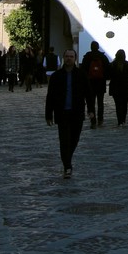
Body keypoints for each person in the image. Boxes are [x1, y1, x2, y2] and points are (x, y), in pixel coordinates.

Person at [45, 49, 90, 178]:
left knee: (74, 140)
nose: (69, 58)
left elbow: (88, 93)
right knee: (64, 140)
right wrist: (48, 115)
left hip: (77, 113)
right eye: (67, 56)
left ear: (75, 58)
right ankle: (67, 166)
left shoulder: (81, 75)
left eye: (71, 56)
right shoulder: (56, 76)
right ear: (63, 58)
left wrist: (91, 110)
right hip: (62, 113)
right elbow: (50, 96)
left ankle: (67, 159)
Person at [81, 41, 111, 127]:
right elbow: (107, 69)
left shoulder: (87, 57)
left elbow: (83, 70)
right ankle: (100, 120)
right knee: (100, 102)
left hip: (90, 83)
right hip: (101, 83)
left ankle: (93, 121)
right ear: (98, 47)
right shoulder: (103, 57)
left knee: (91, 103)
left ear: (91, 47)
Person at [107, 49, 128, 127]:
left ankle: (119, 120)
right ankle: (123, 119)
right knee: (125, 104)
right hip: (125, 88)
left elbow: (109, 76)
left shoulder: (112, 65)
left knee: (118, 105)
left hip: (115, 88)